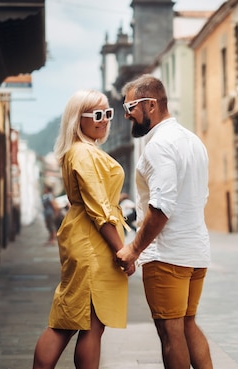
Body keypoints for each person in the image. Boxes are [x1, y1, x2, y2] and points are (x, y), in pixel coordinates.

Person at [32, 89, 135, 369]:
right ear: (79, 119)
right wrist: (122, 250)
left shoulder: (83, 150)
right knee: (74, 323)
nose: (105, 121)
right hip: (92, 243)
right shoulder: (82, 153)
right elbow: (99, 208)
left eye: (108, 114)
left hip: (88, 239)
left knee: (83, 320)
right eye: (98, 115)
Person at [116, 75, 213, 369]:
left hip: (168, 255)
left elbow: (160, 207)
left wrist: (133, 249)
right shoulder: (192, 140)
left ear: (151, 105)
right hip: (195, 252)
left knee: (170, 333)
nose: (126, 113)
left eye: (130, 106)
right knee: (187, 325)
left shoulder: (159, 146)